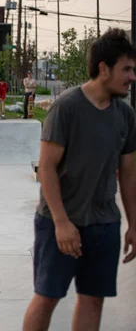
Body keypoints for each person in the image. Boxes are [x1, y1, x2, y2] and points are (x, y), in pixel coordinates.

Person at [22, 28, 136, 331]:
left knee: (93, 298)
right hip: (59, 220)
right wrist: (61, 223)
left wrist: (133, 224)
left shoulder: (125, 115)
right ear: (104, 68)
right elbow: (46, 168)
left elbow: (128, 172)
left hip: (103, 223)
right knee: (47, 297)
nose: (132, 77)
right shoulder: (68, 107)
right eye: (126, 69)